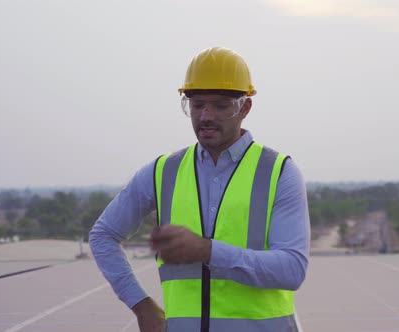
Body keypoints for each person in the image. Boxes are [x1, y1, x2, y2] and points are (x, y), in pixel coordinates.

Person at [89, 46, 310, 332]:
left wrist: (207, 251)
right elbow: (103, 234)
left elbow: (292, 269)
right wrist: (141, 305)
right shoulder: (162, 172)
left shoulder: (279, 172)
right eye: (196, 104)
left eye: (220, 105)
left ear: (245, 107)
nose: (206, 116)